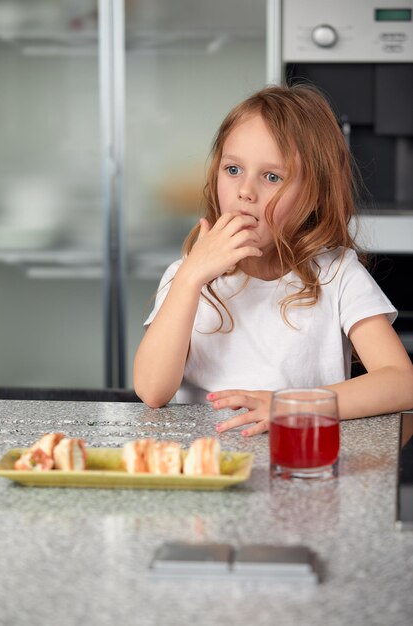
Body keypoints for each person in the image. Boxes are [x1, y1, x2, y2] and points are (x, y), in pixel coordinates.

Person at [133, 84, 413, 436]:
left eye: (272, 177)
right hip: (208, 463)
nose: (245, 191)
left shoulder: (338, 274)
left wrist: (288, 406)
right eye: (233, 170)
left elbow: (401, 383)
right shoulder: (187, 276)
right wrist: (190, 279)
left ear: (314, 195)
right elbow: (152, 391)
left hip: (299, 456)